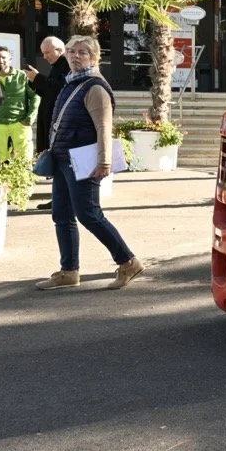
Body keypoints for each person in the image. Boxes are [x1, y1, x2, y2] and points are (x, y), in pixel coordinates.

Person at [37, 35, 144, 292]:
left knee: (89, 215)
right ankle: (69, 271)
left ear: (94, 57)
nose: (75, 56)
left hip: (82, 160)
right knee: (62, 215)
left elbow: (103, 127)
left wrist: (104, 162)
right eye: (72, 52)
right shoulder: (71, 82)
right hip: (63, 158)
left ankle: (128, 262)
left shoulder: (95, 88)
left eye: (82, 52)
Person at [0, 46, 39, 163]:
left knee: (24, 161)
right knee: (0, 162)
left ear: (10, 60)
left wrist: (30, 117)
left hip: (20, 123)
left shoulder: (22, 76)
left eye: (4, 57)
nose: (0, 60)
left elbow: (35, 96)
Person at [26, 36, 71, 155]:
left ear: (59, 50)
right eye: (43, 53)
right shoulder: (57, 65)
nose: (44, 57)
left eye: (47, 52)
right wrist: (34, 81)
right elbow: (48, 92)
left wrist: (37, 78)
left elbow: (60, 89)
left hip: (57, 121)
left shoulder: (67, 64)